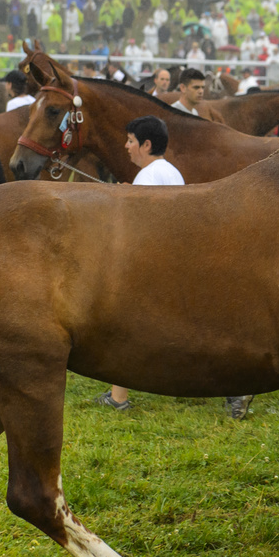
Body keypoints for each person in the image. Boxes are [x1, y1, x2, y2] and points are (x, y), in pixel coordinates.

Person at [97, 115, 184, 411]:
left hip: (152, 266)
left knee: (124, 327)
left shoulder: (148, 176)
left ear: (146, 145)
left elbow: (140, 228)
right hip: (172, 262)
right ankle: (117, 396)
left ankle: (118, 399)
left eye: (131, 141)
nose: (126, 146)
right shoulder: (169, 171)